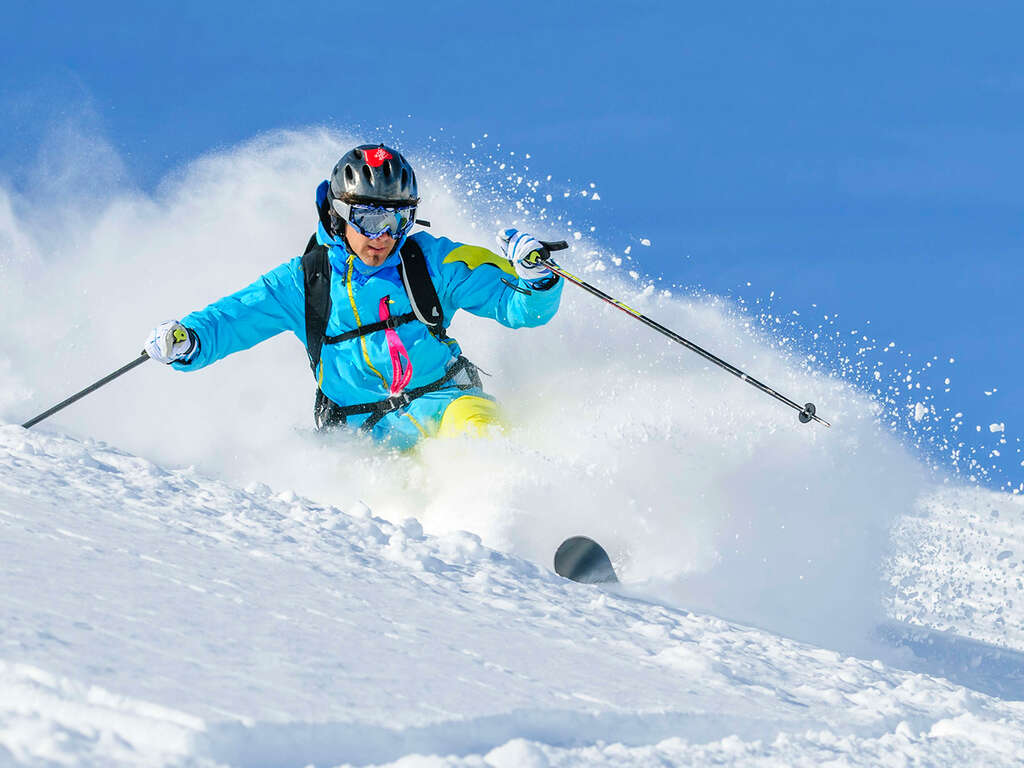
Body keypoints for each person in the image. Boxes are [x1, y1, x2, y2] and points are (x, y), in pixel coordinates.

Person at [144, 143, 563, 450]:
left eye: (398, 219)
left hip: (449, 404)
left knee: (484, 442)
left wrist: (536, 277)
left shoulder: (431, 261)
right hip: (364, 434)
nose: (382, 236)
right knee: (396, 509)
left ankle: (553, 532)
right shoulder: (307, 281)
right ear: (339, 213)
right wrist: (189, 339)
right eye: (368, 218)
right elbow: (235, 317)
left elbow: (518, 306)